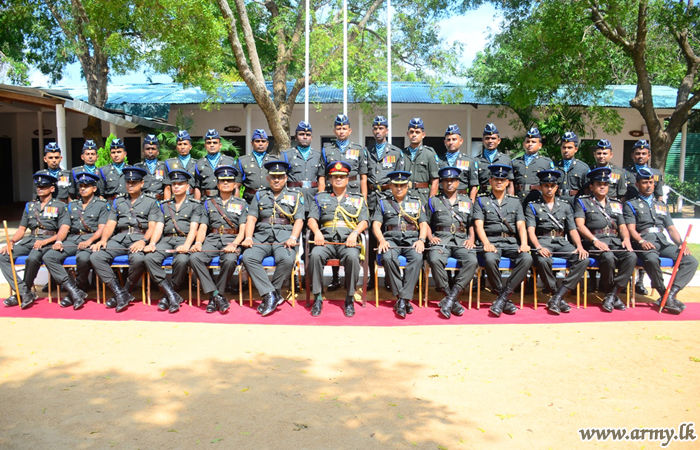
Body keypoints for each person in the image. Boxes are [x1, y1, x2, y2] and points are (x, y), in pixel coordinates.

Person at [623, 168, 698, 314]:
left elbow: (671, 229)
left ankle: (670, 294)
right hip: (644, 242)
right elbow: (631, 229)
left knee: (691, 261)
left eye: (651, 182)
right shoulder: (631, 204)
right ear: (637, 185)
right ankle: (663, 293)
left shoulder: (661, 205)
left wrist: (681, 244)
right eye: (645, 182)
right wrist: (641, 241)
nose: (649, 185)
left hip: (662, 242)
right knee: (651, 260)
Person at [90, 167, 163, 312]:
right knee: (96, 256)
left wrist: (143, 240)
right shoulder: (119, 201)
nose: (130, 185)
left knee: (138, 259)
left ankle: (124, 292)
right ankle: (119, 292)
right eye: (128, 182)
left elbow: (152, 226)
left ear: (141, 183)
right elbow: (110, 224)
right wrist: (103, 240)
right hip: (119, 238)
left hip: (139, 237)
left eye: (134, 182)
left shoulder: (150, 201)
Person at [241, 161, 305, 316]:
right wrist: (248, 237)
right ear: (268, 178)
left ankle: (272, 293)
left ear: (285, 178)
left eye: (280, 177)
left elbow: (299, 220)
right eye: (274, 177)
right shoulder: (259, 195)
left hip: (284, 237)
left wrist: (293, 237)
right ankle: (270, 294)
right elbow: (251, 218)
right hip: (262, 236)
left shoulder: (296, 196)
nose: (277, 180)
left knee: (287, 259)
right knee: (248, 257)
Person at [307, 161, 369, 317]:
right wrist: (317, 232)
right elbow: (311, 219)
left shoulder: (358, 198)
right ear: (330, 179)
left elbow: (364, 221)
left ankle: (349, 298)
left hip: (348, 241)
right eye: (335, 177)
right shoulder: (321, 197)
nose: (339, 179)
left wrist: (355, 233)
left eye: (342, 177)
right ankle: (317, 297)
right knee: (315, 255)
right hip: (326, 240)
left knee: (353, 257)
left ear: (348, 179)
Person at [0, 173, 69, 309]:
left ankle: (22, 294)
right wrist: (11, 242)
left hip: (48, 240)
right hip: (31, 239)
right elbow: (21, 229)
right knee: (3, 256)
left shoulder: (60, 206)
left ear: (52, 189)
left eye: (43, 187)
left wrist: (45, 242)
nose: (40, 189)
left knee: (32, 258)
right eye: (38, 187)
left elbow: (62, 231)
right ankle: (24, 291)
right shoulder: (30, 206)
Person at [43, 172, 109, 309]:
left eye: (86, 186)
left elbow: (102, 228)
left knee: (83, 258)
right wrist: (59, 241)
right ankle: (74, 291)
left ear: (94, 188)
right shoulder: (72, 205)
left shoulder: (102, 205)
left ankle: (76, 291)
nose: (83, 188)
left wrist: (89, 241)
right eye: (81, 186)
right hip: (72, 239)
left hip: (91, 239)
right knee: (49, 256)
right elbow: (65, 226)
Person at [525, 170, 588, 315]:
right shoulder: (532, 206)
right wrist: (538, 247)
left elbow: (572, 230)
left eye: (552, 185)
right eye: (546, 185)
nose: (549, 188)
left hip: (561, 242)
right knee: (542, 260)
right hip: (543, 241)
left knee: (583, 259)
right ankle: (557, 296)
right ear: (540, 187)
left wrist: (579, 246)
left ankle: (558, 296)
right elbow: (530, 231)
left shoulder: (565, 206)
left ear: (556, 187)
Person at [574, 167, 636, 313]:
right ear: (591, 187)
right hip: (595, 242)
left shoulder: (616, 203)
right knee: (608, 257)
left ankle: (612, 294)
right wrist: (595, 240)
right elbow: (580, 225)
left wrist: (626, 239)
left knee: (631, 256)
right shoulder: (583, 202)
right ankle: (611, 293)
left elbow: (622, 226)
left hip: (614, 241)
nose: (602, 187)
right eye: (599, 184)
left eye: (605, 184)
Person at [473, 164, 532, 317]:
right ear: (490, 181)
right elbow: (478, 225)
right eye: (496, 179)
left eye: (502, 180)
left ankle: (502, 297)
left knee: (527, 258)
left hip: (511, 242)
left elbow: (521, 225)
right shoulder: (481, 200)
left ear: (507, 182)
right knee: (490, 259)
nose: (499, 182)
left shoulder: (515, 201)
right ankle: (504, 298)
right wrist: (486, 243)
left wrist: (524, 243)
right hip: (491, 241)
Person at [317, 114, 368, 291]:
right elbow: (322, 177)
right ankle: (335, 277)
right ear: (334, 130)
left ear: (349, 130)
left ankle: (349, 280)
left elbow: (363, 177)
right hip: (333, 193)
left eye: (344, 128)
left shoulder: (358, 149)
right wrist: (321, 198)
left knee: (347, 232)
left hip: (353, 194)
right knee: (333, 229)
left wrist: (364, 200)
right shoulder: (327, 150)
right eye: (338, 128)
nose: (341, 131)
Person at [189, 165, 248, 314]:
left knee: (230, 260)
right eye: (222, 180)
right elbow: (203, 227)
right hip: (212, 239)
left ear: (234, 184)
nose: (226, 183)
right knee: (194, 257)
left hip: (232, 238)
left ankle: (215, 296)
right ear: (217, 184)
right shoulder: (208, 203)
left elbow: (243, 230)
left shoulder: (242, 204)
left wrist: (234, 244)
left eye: (229, 180)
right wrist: (198, 243)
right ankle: (216, 295)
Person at [144, 170, 202, 313]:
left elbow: (194, 228)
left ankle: (169, 295)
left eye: (180, 184)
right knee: (149, 258)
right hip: (166, 239)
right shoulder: (164, 205)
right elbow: (159, 226)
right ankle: (171, 293)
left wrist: (187, 245)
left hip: (184, 239)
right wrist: (152, 243)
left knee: (182, 260)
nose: (176, 186)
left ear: (187, 186)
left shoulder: (195, 205)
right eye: (174, 184)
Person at [373, 170, 428, 318]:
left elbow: (423, 224)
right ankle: (404, 299)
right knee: (387, 258)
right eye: (396, 185)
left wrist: (421, 240)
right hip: (391, 239)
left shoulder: (416, 202)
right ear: (390, 186)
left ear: (407, 186)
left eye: (402, 185)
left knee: (417, 258)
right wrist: (382, 240)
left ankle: (402, 300)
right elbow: (376, 225)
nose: (399, 188)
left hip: (412, 240)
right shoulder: (383, 202)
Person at [426, 166, 478, 318]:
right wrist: (430, 237)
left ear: (458, 182)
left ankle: (451, 297)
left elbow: (471, 224)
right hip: (441, 238)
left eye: (453, 180)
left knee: (472, 261)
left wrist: (471, 239)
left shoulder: (467, 201)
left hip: (462, 239)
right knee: (434, 259)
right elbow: (425, 222)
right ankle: (451, 298)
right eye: (446, 181)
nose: (449, 183)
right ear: (442, 183)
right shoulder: (433, 201)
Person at [365, 115, 404, 290]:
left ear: (386, 131)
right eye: (375, 128)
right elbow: (364, 177)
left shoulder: (396, 152)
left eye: (381, 128)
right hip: (372, 199)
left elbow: (400, 181)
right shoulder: (367, 152)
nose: (378, 131)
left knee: (388, 236)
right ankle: (372, 278)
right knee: (371, 241)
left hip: (389, 200)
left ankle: (390, 278)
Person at [624, 139, 665, 296]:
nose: (640, 156)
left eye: (643, 153)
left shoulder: (656, 173)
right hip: (630, 213)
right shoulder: (625, 172)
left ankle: (640, 282)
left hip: (647, 215)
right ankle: (627, 281)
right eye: (637, 153)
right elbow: (622, 196)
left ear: (649, 155)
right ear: (632, 155)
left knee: (646, 249)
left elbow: (659, 197)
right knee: (631, 248)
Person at [283, 121, 323, 209]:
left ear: (311, 138)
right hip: (293, 199)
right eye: (301, 134)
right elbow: (281, 179)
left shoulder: (318, 156)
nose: (305, 137)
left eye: (308, 135)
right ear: (295, 137)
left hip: (313, 200)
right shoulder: (286, 155)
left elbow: (322, 179)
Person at [511, 127, 554, 205]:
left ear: (540, 145)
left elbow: (551, 184)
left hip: (537, 201)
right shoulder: (515, 162)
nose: (530, 144)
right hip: (518, 200)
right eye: (528, 141)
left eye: (533, 142)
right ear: (524, 144)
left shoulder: (546, 162)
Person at [401, 117, 439, 206]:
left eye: (417, 132)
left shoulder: (429, 154)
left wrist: (431, 203)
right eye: (411, 132)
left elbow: (435, 181)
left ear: (423, 135)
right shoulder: (402, 154)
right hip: (405, 196)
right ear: (407, 134)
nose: (414, 135)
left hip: (422, 198)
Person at [436, 124, 479, 202]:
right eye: (448, 140)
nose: (451, 142)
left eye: (454, 139)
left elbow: (474, 187)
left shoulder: (469, 161)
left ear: (461, 141)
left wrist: (471, 204)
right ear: (445, 142)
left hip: (462, 200)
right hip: (443, 200)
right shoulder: (438, 160)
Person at [237, 129, 279, 203]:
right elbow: (236, 186)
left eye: (263, 141)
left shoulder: (274, 161)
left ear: (267, 143)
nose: (260, 144)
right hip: (249, 201)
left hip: (270, 200)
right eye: (257, 141)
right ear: (252, 143)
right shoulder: (242, 161)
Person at [195, 129, 237, 198]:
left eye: (215, 143)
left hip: (224, 199)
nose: (212, 145)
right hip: (206, 200)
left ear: (220, 145)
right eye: (209, 143)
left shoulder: (230, 162)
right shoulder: (199, 163)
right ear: (205, 146)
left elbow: (235, 185)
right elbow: (197, 186)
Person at [474, 124, 514, 195]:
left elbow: (510, 184)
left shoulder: (506, 159)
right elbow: (473, 186)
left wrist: (510, 199)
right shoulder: (476, 160)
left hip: (501, 197)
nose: (490, 141)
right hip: (482, 196)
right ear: (483, 140)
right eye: (487, 138)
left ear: (499, 140)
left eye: (493, 138)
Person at [554, 132, 589, 206]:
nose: (566, 150)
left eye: (569, 148)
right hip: (557, 203)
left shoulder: (583, 168)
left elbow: (587, 192)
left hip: (575, 203)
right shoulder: (554, 166)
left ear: (576, 149)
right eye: (564, 147)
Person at [164, 130, 199, 200]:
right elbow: (167, 187)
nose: (182, 147)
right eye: (179, 144)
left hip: (192, 199)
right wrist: (167, 204)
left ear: (190, 147)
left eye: (185, 144)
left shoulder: (197, 163)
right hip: (175, 199)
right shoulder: (169, 163)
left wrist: (197, 203)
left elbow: (198, 187)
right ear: (176, 147)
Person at [135, 134, 168, 201]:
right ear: (143, 151)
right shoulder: (137, 167)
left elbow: (167, 187)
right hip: (143, 202)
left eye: (153, 149)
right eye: (147, 149)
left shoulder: (164, 166)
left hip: (160, 201)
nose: (150, 151)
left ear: (158, 152)